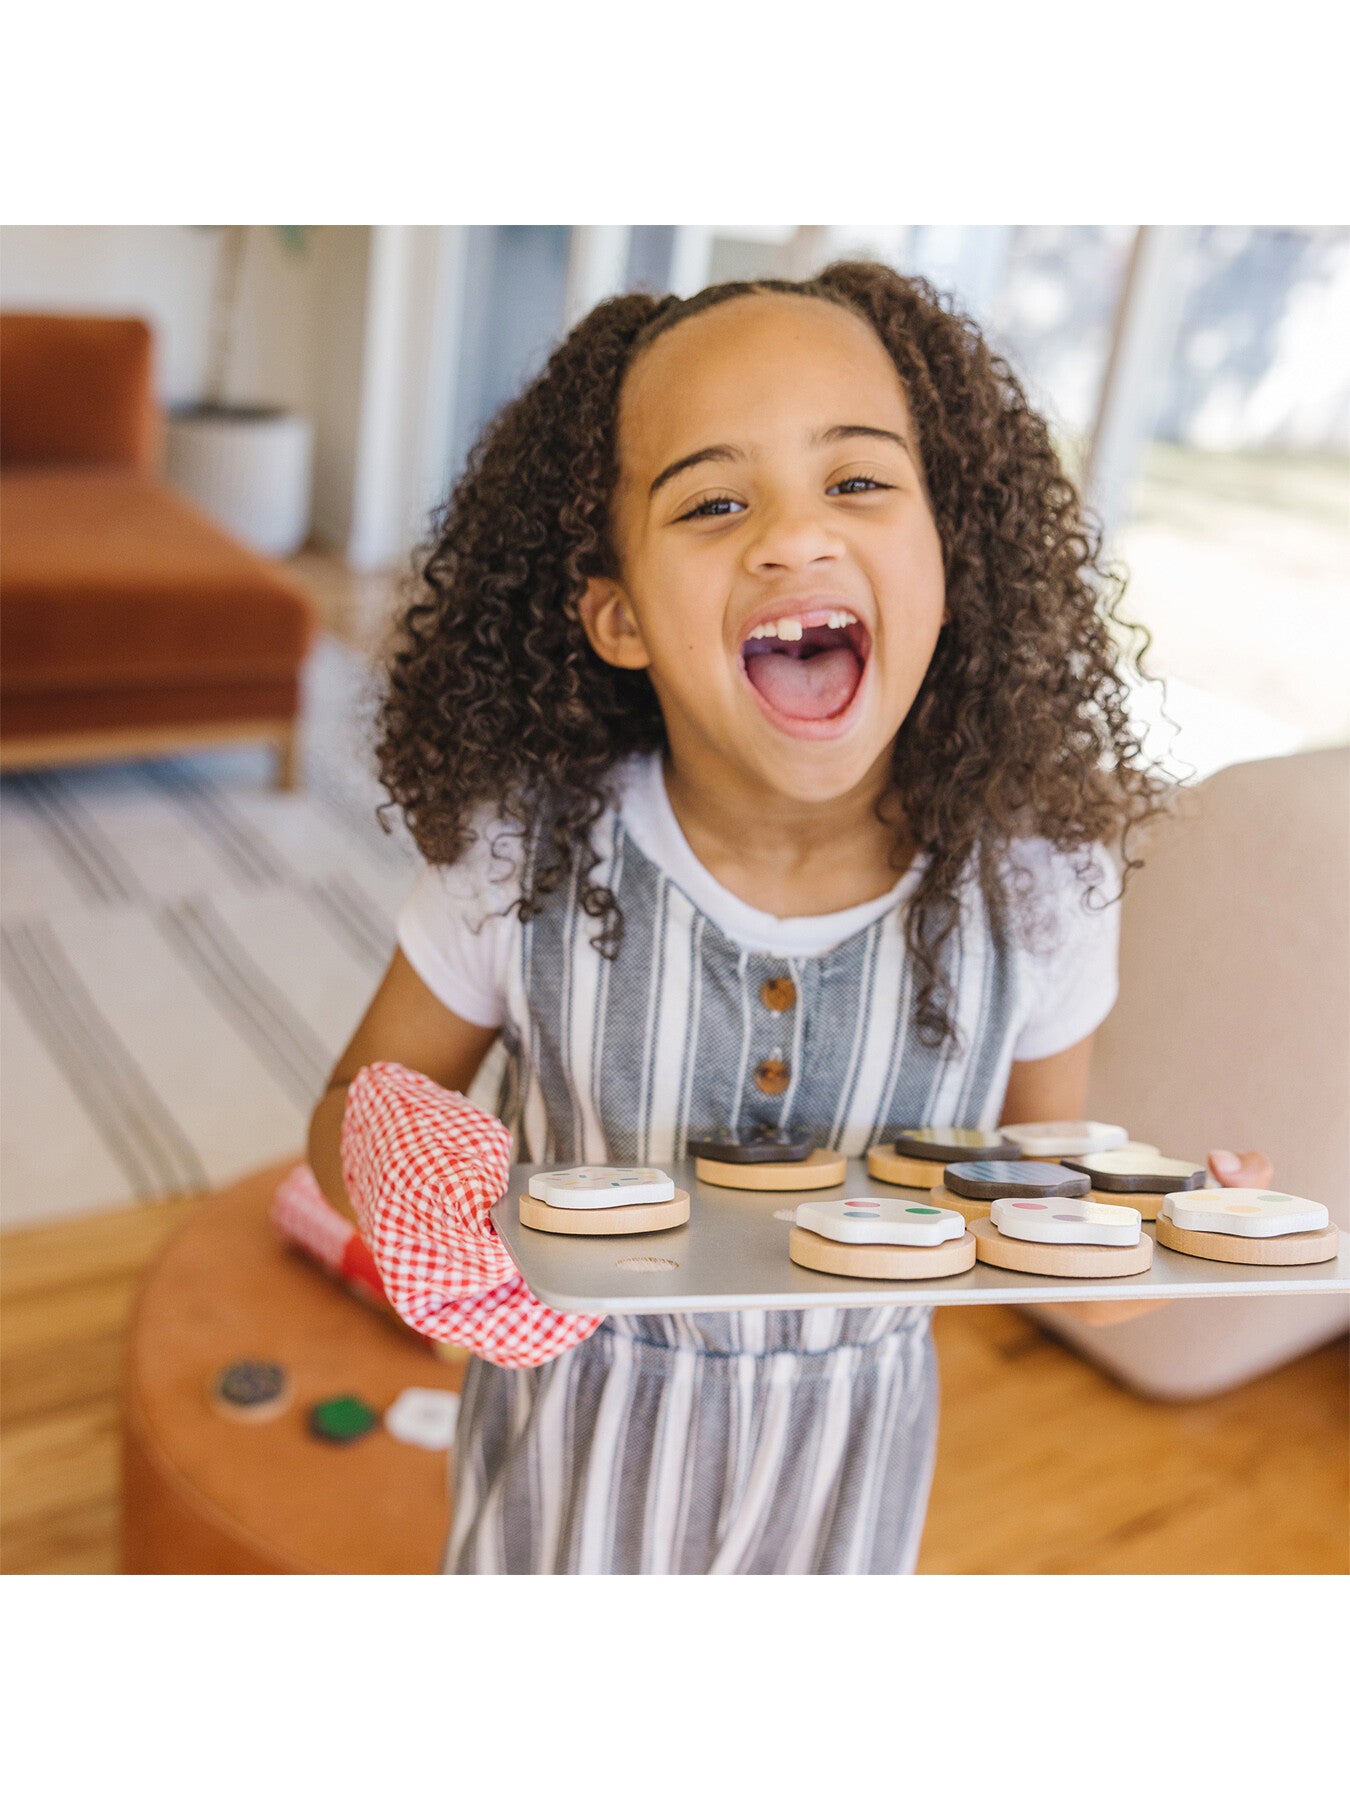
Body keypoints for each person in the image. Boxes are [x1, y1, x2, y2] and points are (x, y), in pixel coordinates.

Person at [302, 263, 1272, 1574]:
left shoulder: (1037, 885)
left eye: (857, 481)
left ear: (949, 562)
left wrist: (1172, 1238)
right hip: (562, 1471)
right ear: (619, 616)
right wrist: (401, 1174)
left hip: (848, 1487)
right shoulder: (522, 851)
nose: (793, 537)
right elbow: (352, 1104)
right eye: (713, 501)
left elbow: (1042, 1217)